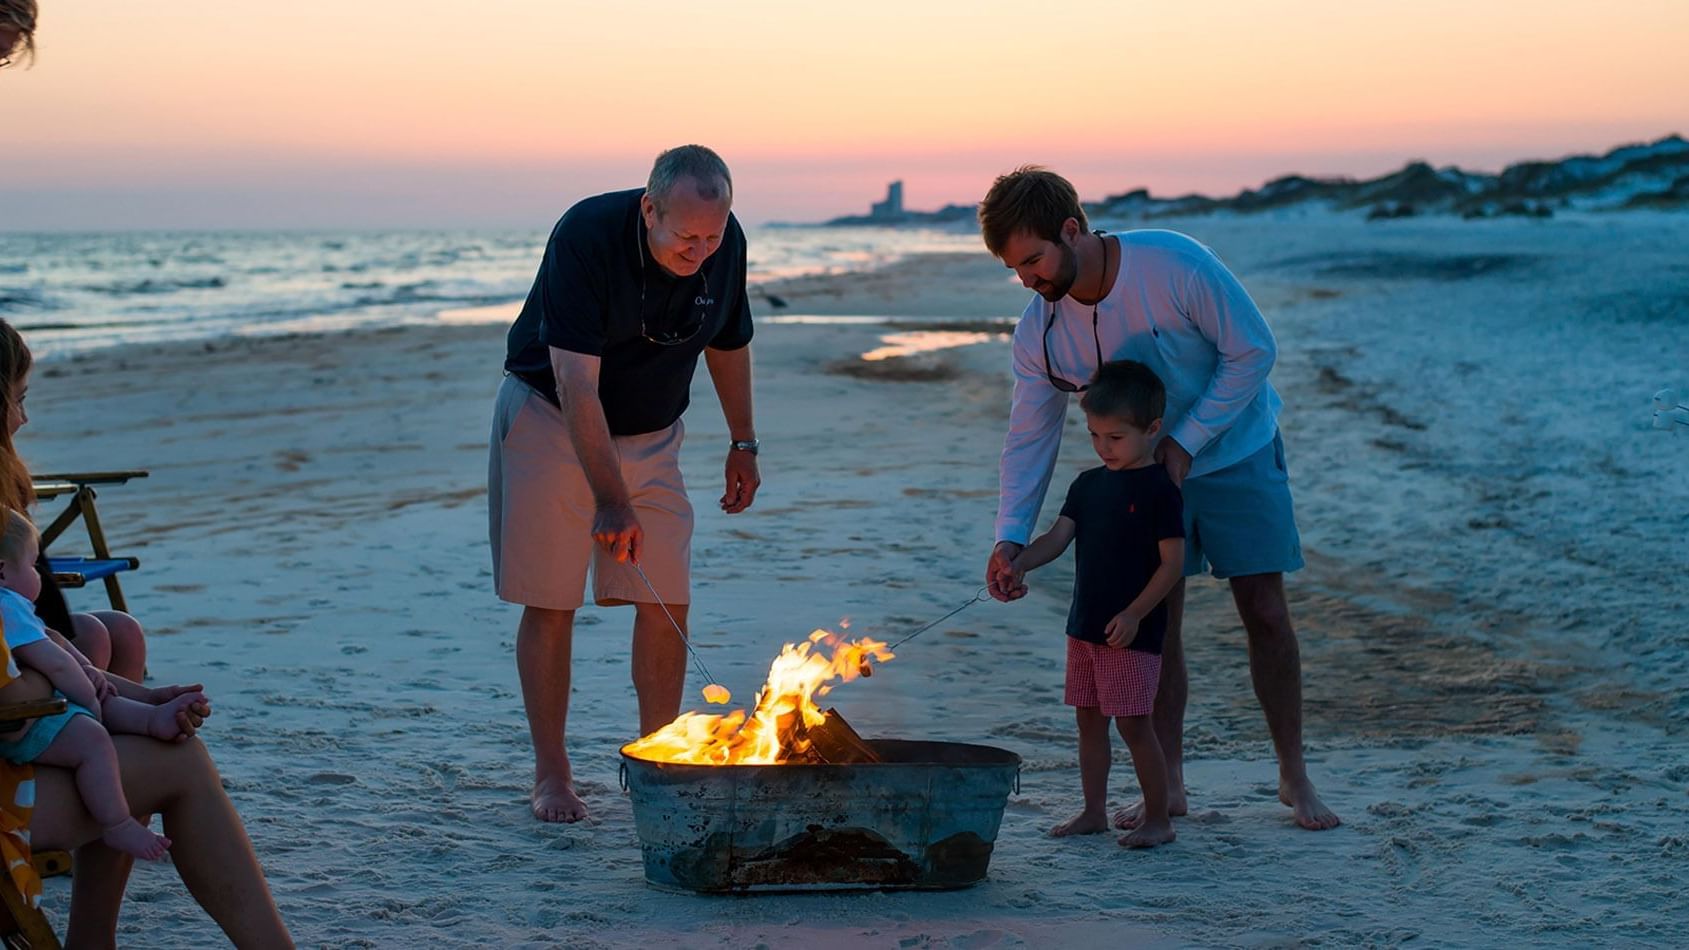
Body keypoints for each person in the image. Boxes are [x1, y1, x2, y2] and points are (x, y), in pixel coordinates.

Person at [978, 166, 1340, 832]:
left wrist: (1187, 441)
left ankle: (1293, 773)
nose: (1027, 280)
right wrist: (1009, 537)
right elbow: (1030, 434)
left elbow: (1252, 351)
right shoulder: (1040, 330)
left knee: (1263, 610)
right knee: (1154, 626)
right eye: (1014, 269)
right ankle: (1166, 785)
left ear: (1070, 229)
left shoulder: (1173, 264)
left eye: (1032, 260)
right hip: (1139, 478)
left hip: (1235, 450)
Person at [491, 145, 760, 822]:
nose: (699, 249)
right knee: (551, 599)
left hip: (654, 431)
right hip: (551, 416)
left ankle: (658, 759)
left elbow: (727, 343)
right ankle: (551, 775)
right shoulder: (585, 236)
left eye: (713, 234)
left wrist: (743, 442)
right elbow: (575, 380)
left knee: (666, 593)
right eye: (684, 235)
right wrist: (610, 500)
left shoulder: (724, 245)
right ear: (649, 210)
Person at [1002, 361, 1184, 848]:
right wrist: (1020, 563)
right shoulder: (1087, 485)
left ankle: (1160, 819)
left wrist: (1135, 613)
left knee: (1133, 723)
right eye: (1096, 436)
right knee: (1087, 719)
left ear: (1151, 430)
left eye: (1116, 438)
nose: (1104, 448)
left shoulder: (1160, 491)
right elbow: (1057, 538)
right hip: (1084, 626)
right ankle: (1093, 811)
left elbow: (1172, 565)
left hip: (1130, 630)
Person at [0, 509, 211, 861]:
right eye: (35, 566)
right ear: (2, 570)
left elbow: (54, 644)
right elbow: (52, 661)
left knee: (101, 697)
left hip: (26, 713)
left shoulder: (11, 606)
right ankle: (116, 823)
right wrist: (86, 695)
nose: (40, 575)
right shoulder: (6, 606)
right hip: (21, 727)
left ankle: (151, 716)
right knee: (93, 739)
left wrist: (87, 671)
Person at [0, 319, 149, 682]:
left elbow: (33, 567)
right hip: (7, 640)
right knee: (93, 636)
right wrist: (54, 636)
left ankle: (113, 728)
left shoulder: (6, 472)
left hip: (24, 618)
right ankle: (88, 730)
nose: (24, 418)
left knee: (123, 631)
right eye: (17, 401)